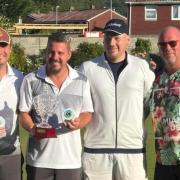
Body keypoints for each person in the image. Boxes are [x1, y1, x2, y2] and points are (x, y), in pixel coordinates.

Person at [79, 19, 155, 180]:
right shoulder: (87, 68)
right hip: (96, 152)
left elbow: (149, 102)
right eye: (107, 37)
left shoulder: (142, 67)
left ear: (128, 39)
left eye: (117, 38)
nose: (111, 43)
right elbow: (79, 105)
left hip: (133, 152)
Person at [19, 32, 93, 180]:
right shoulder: (31, 79)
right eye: (51, 52)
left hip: (70, 161)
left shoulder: (81, 80)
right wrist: (32, 128)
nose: (55, 57)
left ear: (69, 55)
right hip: (38, 160)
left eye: (60, 52)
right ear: (46, 53)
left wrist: (78, 122)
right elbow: (23, 113)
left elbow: (87, 112)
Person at [149, 26, 180, 180]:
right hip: (163, 162)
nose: (167, 47)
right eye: (162, 44)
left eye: (173, 43)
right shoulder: (155, 81)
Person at [0, 28, 24, 180]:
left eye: (3, 45)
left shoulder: (19, 78)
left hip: (11, 154)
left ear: (10, 48)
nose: (0, 50)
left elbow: (26, 114)